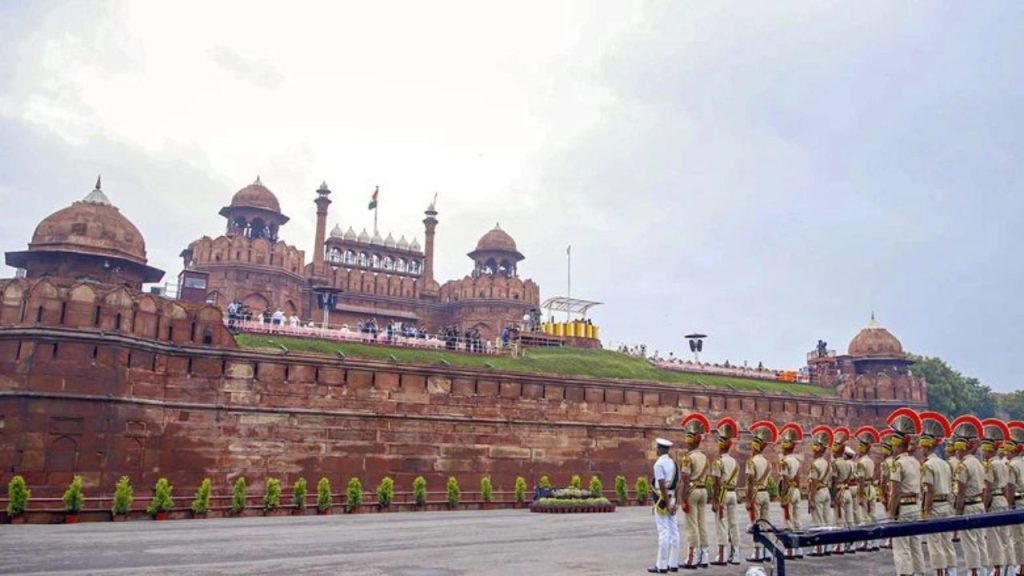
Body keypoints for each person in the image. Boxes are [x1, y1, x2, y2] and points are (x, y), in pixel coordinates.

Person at [886, 408, 927, 576]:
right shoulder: (915, 462)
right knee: (915, 544)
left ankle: (904, 573)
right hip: (915, 507)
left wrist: (891, 513)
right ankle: (920, 572)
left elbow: (895, 492)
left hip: (902, 508)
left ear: (897, 445)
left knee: (901, 545)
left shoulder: (898, 463)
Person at [919, 411, 957, 576]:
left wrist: (925, 511)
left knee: (935, 542)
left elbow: (929, 490)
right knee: (947, 541)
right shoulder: (944, 464)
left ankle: (940, 573)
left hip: (934, 506)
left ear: (927, 446)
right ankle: (953, 572)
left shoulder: (928, 465)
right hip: (946, 505)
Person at [952, 415, 990, 576]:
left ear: (961, 448)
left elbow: (960, 492)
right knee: (980, 540)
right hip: (979, 505)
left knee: (970, 542)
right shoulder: (978, 463)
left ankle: (973, 572)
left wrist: (958, 513)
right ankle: (983, 570)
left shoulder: (963, 466)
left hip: (968, 506)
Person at [679, 413, 711, 569]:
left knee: (691, 524)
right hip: (703, 490)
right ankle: (704, 555)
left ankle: (692, 558)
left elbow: (684, 478)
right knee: (702, 523)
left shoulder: (687, 457)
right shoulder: (704, 457)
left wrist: (682, 498)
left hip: (691, 490)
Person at [981, 419, 1012, 576]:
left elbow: (987, 490)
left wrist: (984, 507)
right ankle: (1009, 568)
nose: (983, 452)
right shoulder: (1003, 463)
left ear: (988, 450)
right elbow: (1006, 487)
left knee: (994, 538)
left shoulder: (989, 465)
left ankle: (998, 569)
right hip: (1003, 500)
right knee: (1005, 536)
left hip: (993, 501)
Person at [710, 417, 740, 566]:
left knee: (721, 523)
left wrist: (715, 500)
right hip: (733, 493)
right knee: (733, 524)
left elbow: (716, 483)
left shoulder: (718, 462)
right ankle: (736, 554)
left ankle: (722, 555)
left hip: (722, 494)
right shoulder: (735, 462)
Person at [746, 421, 778, 563]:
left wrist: (747, 499)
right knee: (766, 523)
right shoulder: (767, 462)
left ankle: (757, 551)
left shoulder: (751, 462)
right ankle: (767, 551)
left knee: (756, 523)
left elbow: (749, 482)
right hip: (765, 493)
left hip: (756, 494)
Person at [649, 438, 681, 574]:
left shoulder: (659, 464)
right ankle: (673, 563)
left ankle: (661, 565)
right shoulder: (675, 464)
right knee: (674, 531)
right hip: (672, 497)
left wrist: (666, 504)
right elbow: (679, 484)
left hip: (662, 500)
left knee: (663, 532)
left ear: (660, 449)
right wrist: (676, 503)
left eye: (657, 448)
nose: (656, 450)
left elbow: (661, 484)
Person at [778, 422, 805, 560]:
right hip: (796, 491)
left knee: (788, 521)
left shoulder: (784, 461)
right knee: (797, 519)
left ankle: (789, 551)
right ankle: (799, 549)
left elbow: (784, 480)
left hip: (788, 491)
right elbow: (798, 477)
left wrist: (783, 497)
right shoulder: (795, 460)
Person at [806, 425, 834, 557]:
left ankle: (819, 549)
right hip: (826, 491)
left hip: (818, 492)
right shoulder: (827, 463)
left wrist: (810, 498)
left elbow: (813, 483)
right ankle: (827, 545)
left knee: (818, 520)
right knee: (827, 519)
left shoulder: (815, 464)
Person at [852, 426, 880, 552]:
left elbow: (861, 480)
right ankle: (875, 542)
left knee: (866, 516)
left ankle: (867, 542)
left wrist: (860, 495)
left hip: (865, 490)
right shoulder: (870, 461)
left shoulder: (862, 462)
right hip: (872, 488)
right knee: (872, 515)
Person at [828, 427, 855, 555]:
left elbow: (833, 481)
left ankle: (839, 546)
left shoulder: (835, 464)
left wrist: (833, 498)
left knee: (838, 519)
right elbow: (849, 478)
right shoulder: (848, 464)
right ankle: (850, 543)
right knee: (849, 519)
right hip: (847, 490)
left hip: (839, 491)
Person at [1005, 422, 1024, 576]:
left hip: (1017, 503)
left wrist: (1009, 505)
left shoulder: (1012, 466)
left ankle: (1022, 567)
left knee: (1018, 538)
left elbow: (1010, 487)